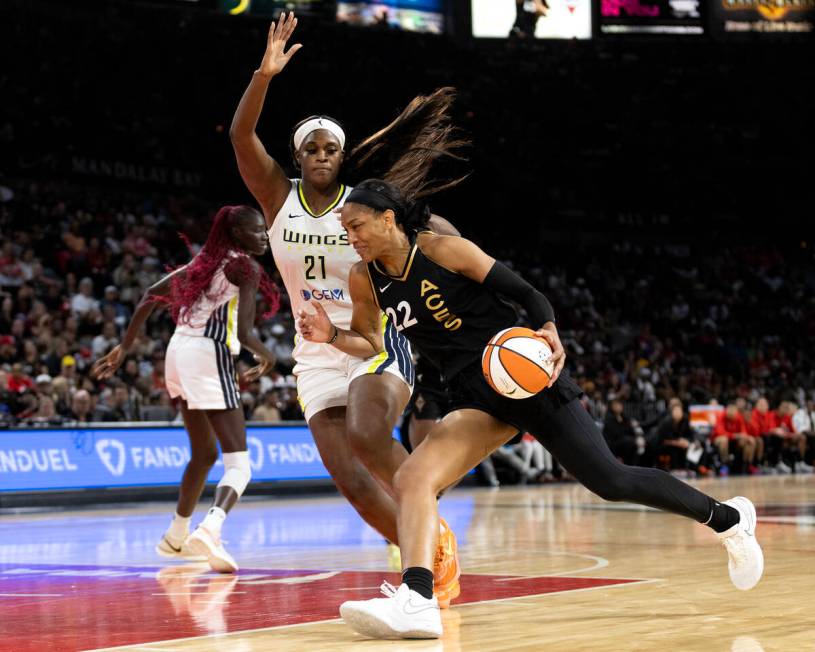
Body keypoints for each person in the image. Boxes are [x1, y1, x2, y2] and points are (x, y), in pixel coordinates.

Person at [298, 178, 764, 639]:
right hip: (473, 395)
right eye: (346, 230)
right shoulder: (364, 278)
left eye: (356, 226)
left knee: (610, 480)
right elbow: (372, 341)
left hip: (524, 379)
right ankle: (418, 599)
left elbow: (528, 294)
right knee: (412, 477)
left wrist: (549, 327)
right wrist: (331, 336)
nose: (350, 238)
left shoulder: (442, 250)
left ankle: (729, 520)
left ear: (387, 218)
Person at [229, 13, 463, 605]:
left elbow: (433, 228)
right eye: (312, 147)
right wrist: (264, 74)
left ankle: (423, 520)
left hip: (374, 339)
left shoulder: (362, 205)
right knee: (354, 484)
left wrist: (462, 267)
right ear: (298, 155)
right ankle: (432, 558)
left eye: (332, 147)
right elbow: (239, 137)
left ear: (342, 154)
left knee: (365, 431)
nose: (323, 154)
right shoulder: (278, 198)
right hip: (314, 353)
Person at [93, 205, 280, 574]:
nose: (264, 236)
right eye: (257, 230)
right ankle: (211, 528)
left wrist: (125, 346)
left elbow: (149, 295)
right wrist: (268, 355)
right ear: (238, 234)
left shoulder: (204, 262)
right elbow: (244, 334)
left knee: (203, 454)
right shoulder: (245, 267)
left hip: (177, 353)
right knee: (239, 464)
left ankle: (176, 535)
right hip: (207, 354)